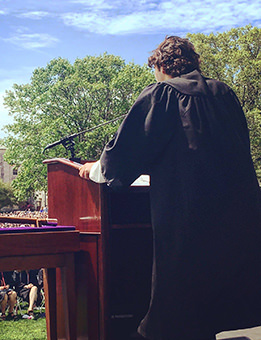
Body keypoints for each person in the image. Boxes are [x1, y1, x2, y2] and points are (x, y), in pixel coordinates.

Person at [79, 36, 261, 340]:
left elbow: (126, 152)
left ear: (161, 65)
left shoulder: (161, 94)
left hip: (187, 216)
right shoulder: (224, 94)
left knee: (179, 305)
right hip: (234, 217)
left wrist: (95, 169)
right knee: (215, 300)